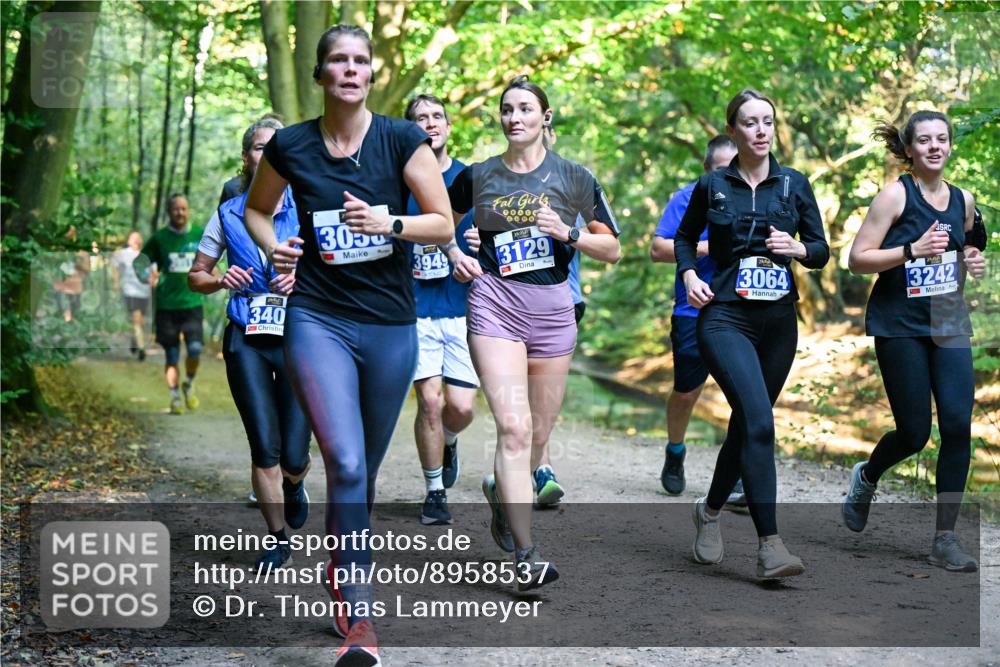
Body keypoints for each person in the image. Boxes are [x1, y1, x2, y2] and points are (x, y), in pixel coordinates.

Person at [242, 24, 452, 664]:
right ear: (321, 74)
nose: (351, 70)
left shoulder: (401, 140)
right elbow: (257, 210)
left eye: (361, 60)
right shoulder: (291, 145)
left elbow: (442, 223)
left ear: (371, 72)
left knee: (364, 468)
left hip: (390, 324)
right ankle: (360, 619)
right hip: (317, 316)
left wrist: (389, 221)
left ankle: (339, 559)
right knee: (349, 464)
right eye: (339, 60)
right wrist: (270, 244)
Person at [448, 75, 621, 592]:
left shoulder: (574, 177)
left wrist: (566, 232)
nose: (514, 117)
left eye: (525, 108)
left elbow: (611, 249)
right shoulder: (478, 177)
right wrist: (457, 252)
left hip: (552, 310)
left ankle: (504, 494)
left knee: (537, 439)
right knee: (515, 431)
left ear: (546, 117)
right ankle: (527, 555)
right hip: (495, 304)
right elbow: (438, 222)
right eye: (506, 109)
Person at [675, 89, 829, 579]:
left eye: (767, 121)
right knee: (760, 423)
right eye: (749, 122)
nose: (760, 130)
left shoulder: (795, 185)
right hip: (725, 317)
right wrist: (689, 274)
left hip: (779, 324)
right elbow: (683, 238)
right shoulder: (712, 184)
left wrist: (799, 248)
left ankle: (710, 511)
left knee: (746, 425)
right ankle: (771, 547)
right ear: (734, 130)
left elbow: (823, 248)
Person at [843, 110, 986, 572]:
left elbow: (964, 250)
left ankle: (944, 537)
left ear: (949, 145)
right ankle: (867, 476)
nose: (934, 147)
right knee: (914, 432)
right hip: (898, 324)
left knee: (959, 425)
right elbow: (857, 259)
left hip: (947, 322)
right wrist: (910, 250)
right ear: (909, 150)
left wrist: (971, 260)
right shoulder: (894, 196)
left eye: (942, 139)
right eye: (924, 140)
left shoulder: (963, 200)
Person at [188, 116, 312, 569]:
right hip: (248, 336)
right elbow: (196, 275)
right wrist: (221, 279)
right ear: (247, 158)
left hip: (301, 336)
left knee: (295, 455)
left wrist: (304, 277)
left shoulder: (310, 206)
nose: (270, 154)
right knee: (264, 446)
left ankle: (295, 481)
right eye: (262, 147)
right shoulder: (227, 213)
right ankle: (278, 538)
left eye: (278, 147)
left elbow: (341, 266)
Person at [650, 135, 746, 511]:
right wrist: (711, 245)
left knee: (743, 391)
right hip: (692, 307)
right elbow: (659, 249)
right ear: (708, 170)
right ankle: (675, 450)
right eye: (723, 169)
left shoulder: (757, 197)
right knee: (688, 392)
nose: (730, 176)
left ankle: (737, 471)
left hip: (741, 307)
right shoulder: (687, 197)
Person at [403, 94, 478, 526]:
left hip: (463, 307)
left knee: (461, 408)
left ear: (449, 127)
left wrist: (477, 247)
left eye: (437, 117)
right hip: (415, 309)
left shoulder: (471, 178)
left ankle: (449, 441)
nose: (430, 123)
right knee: (429, 402)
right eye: (421, 118)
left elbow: (493, 236)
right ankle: (434, 490)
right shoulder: (399, 181)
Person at [135, 194, 205, 414]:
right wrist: (147, 276)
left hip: (193, 302)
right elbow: (140, 262)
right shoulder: (160, 238)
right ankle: (174, 396)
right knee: (172, 354)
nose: (180, 213)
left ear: (189, 210)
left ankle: (189, 383)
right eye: (176, 209)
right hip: (167, 305)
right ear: (169, 211)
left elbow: (214, 258)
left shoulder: (199, 234)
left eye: (184, 209)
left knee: (194, 349)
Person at [112, 231, 152, 360]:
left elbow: (153, 272)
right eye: (133, 238)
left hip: (144, 292)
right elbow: (114, 265)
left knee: (141, 322)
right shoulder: (124, 254)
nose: (136, 240)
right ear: (129, 241)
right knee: (136, 318)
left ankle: (134, 342)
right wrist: (116, 282)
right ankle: (141, 349)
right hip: (130, 291)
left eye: (139, 238)